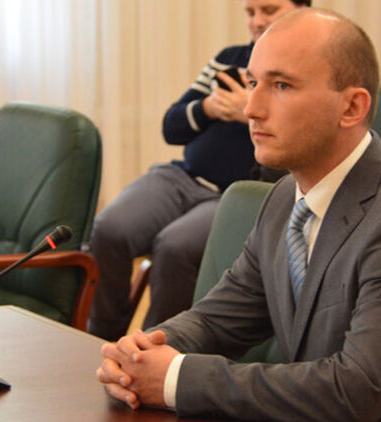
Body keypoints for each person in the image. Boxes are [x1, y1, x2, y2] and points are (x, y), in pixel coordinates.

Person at [96, 8, 381, 421]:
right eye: (253, 83)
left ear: (351, 107)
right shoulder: (284, 197)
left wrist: (175, 378)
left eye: (281, 85)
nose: (252, 108)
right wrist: (141, 352)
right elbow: (220, 319)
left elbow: (353, 392)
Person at [87, 0, 310, 341]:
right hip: (180, 177)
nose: (256, 21)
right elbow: (171, 127)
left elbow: (302, 143)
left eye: (268, 10)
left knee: (174, 247)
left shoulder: (302, 73)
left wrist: (250, 111)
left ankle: (154, 350)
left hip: (233, 195)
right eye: (250, 12)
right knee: (109, 228)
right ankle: (100, 338)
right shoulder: (229, 59)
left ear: (302, 9)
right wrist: (208, 107)